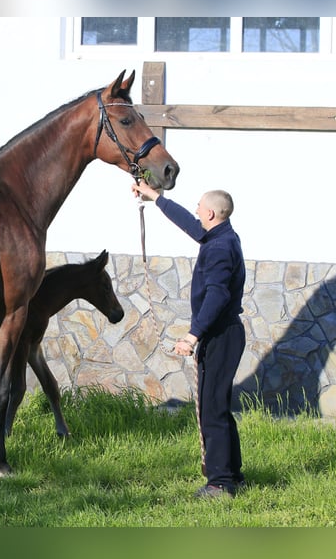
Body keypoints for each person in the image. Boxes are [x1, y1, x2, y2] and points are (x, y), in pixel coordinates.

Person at [132, 179, 247, 499]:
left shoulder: (221, 248)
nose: (196, 211)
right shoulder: (220, 235)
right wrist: (154, 196)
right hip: (221, 334)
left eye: (199, 207)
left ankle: (220, 483)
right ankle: (233, 475)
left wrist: (192, 336)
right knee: (217, 408)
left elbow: (217, 294)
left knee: (212, 411)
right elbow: (189, 224)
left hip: (221, 336)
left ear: (210, 212)